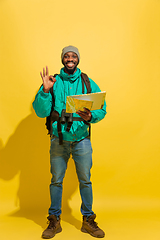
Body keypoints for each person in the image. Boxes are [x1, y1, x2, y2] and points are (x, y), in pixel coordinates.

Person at [32, 45, 106, 238]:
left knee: (85, 181)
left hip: (82, 138)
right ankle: (54, 220)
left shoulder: (88, 82)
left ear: (78, 59)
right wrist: (45, 92)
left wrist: (91, 115)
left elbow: (102, 108)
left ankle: (88, 220)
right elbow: (41, 112)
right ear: (62, 59)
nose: (70, 59)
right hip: (59, 139)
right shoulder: (53, 81)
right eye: (67, 56)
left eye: (73, 56)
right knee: (56, 181)